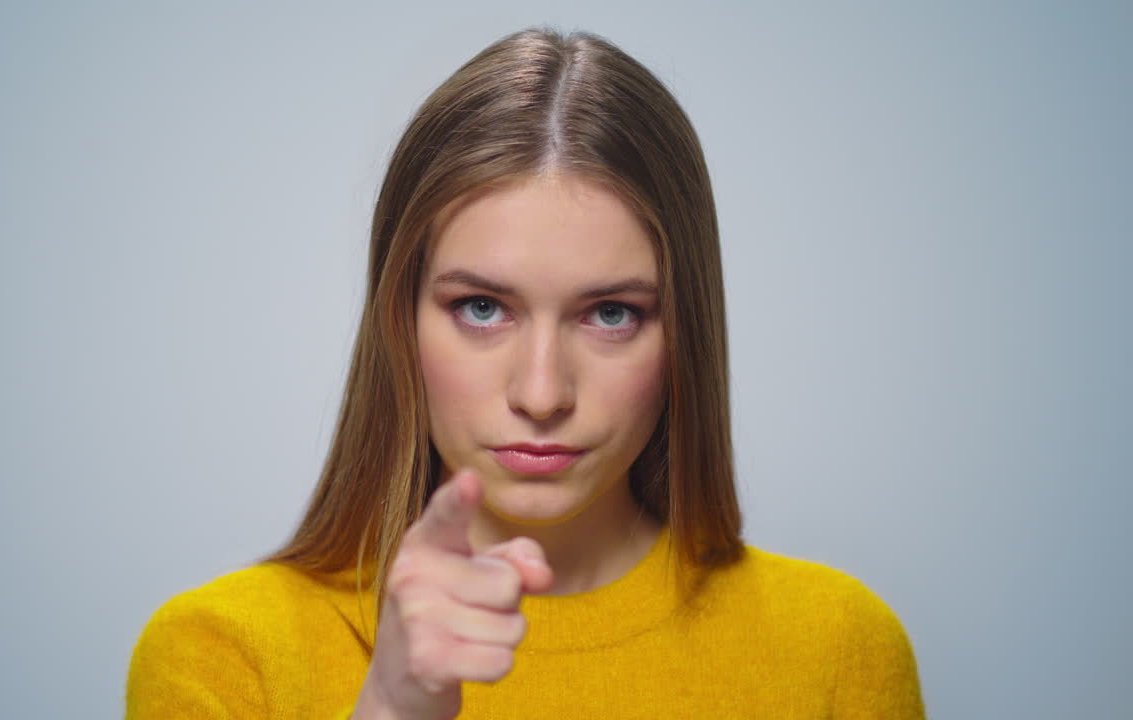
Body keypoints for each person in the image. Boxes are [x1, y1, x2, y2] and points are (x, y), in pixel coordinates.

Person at [125, 27, 925, 719]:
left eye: (611, 314)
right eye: (482, 308)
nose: (541, 395)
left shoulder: (838, 648)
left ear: (686, 330)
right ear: (400, 321)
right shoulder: (224, 653)